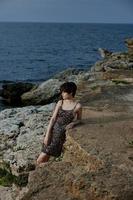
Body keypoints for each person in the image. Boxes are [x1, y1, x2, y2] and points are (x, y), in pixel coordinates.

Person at [36, 81, 82, 166]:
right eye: (62, 92)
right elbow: (53, 119)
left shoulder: (77, 106)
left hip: (60, 135)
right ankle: (48, 171)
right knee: (45, 157)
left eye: (64, 92)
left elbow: (79, 119)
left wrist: (73, 123)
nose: (62, 94)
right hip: (52, 131)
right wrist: (47, 134)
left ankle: (54, 168)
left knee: (40, 160)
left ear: (71, 92)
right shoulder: (60, 102)